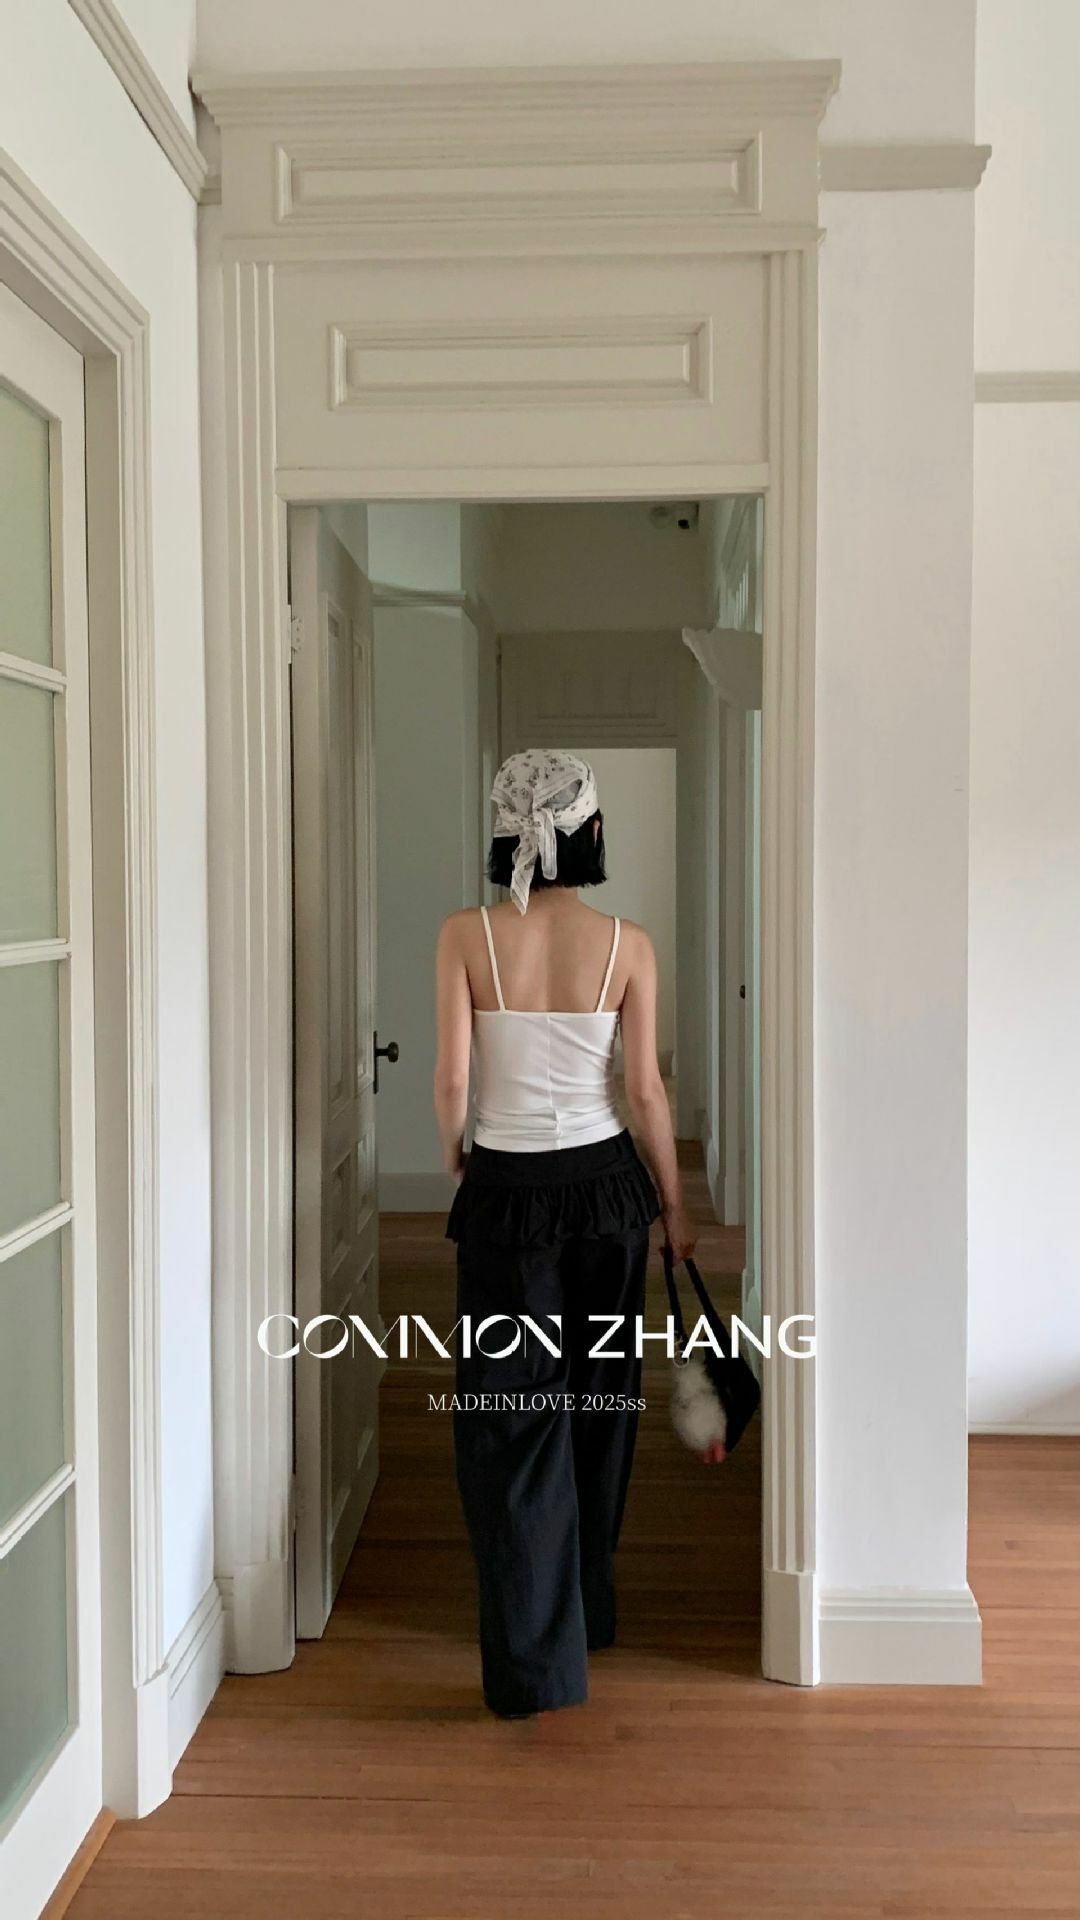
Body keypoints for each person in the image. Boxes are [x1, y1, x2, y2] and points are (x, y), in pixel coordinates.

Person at [433, 747, 700, 1719]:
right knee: (601, 1406)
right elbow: (644, 1092)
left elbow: (453, 1081)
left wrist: (461, 1161)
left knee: (511, 1418)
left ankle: (533, 1659)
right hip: (605, 1196)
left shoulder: (466, 934)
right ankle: (587, 1608)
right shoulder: (629, 943)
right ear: (590, 832)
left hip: (509, 1196)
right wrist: (674, 1207)